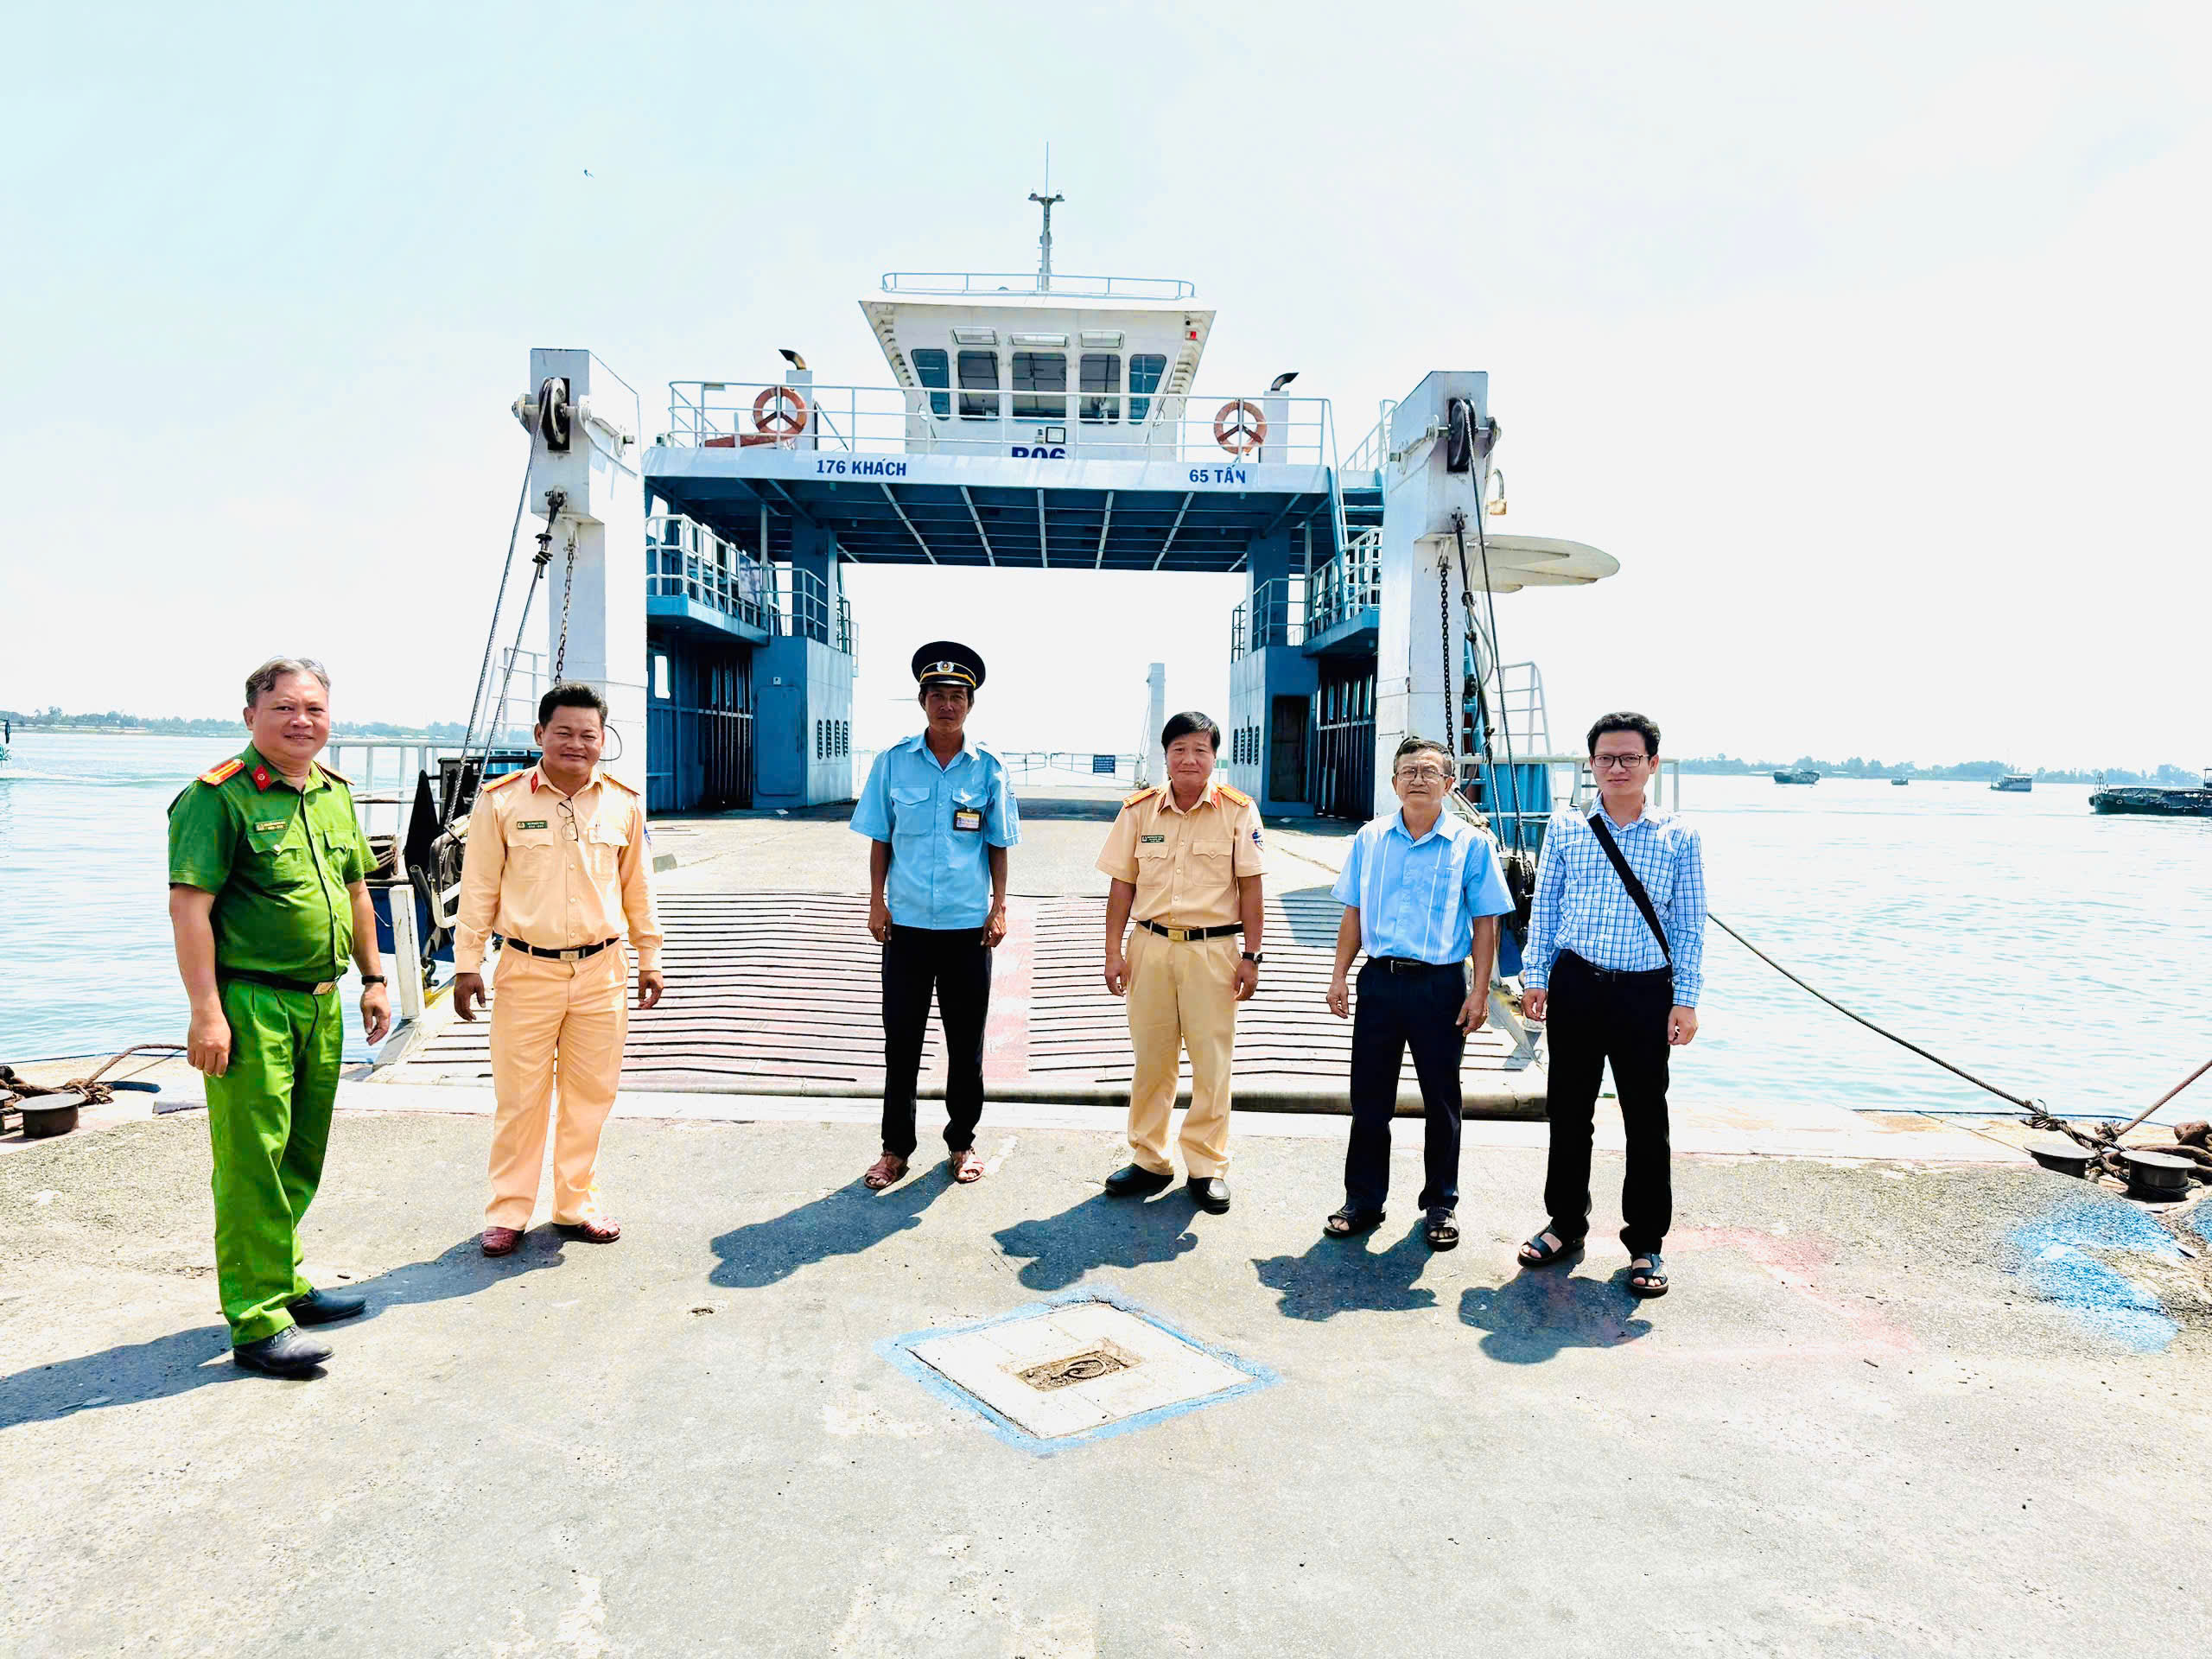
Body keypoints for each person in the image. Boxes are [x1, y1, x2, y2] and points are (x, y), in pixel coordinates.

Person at [167, 658, 392, 1377]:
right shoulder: (217, 798)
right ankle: (257, 1321)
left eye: (315, 709)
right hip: (251, 1003)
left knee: (299, 1152)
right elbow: (189, 909)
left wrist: (374, 979)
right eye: (285, 708)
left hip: (321, 1001)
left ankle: (285, 1280)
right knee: (251, 1163)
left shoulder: (333, 793)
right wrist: (206, 1012)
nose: (302, 721)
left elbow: (357, 891)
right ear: (251, 717)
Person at [454, 683, 664, 1256]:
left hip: (603, 970)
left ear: (602, 740)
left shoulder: (623, 802)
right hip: (527, 968)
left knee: (590, 1095)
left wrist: (650, 955)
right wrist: (467, 963)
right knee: (520, 1098)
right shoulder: (502, 802)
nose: (576, 744)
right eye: (564, 732)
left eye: (588, 735)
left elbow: (639, 889)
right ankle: (508, 1210)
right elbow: (478, 887)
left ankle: (576, 1204)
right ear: (539, 734)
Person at [1516, 710, 1706, 1298]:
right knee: (1569, 1111)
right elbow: (1545, 907)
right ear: (1591, 764)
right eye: (1606, 758)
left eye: (1629, 758)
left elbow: (1690, 926)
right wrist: (1535, 976)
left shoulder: (1679, 835)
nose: (1617, 767)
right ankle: (1565, 1224)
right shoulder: (1567, 827)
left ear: (1652, 763)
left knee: (1647, 1119)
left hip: (1646, 992)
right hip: (1577, 983)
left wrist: (1686, 1000)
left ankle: (1646, 1241)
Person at [1323, 736, 1515, 1249]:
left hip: (1440, 986)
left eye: (1430, 771)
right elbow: (1353, 911)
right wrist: (1339, 975)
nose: (1418, 779)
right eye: (1408, 771)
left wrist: (1479, 992)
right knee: (1369, 1098)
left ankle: (1440, 1203)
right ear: (1394, 783)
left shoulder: (1471, 844)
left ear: (1449, 784)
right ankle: (1363, 1199)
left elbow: (1486, 921)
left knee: (1442, 1099)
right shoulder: (1370, 839)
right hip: (1380, 981)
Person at [849, 642, 1019, 1191]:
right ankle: (895, 1149)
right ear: (922, 701)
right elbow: (880, 837)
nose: (948, 705)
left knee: (966, 1045)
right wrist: (876, 901)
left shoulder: (989, 767)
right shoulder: (893, 762)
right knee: (901, 1042)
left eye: (957, 696)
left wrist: (999, 907)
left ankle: (962, 1141)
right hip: (907, 928)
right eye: (938, 695)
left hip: (968, 929)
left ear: (970, 704)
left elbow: (998, 843)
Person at [1096, 712, 1264, 1214]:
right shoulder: (1138, 811)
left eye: (1200, 750)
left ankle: (1207, 1165)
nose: (1190, 760)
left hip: (1214, 951)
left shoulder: (1238, 810)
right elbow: (1121, 886)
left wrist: (1252, 956)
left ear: (1214, 756)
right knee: (1152, 1059)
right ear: (1165, 755)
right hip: (1149, 947)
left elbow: (1252, 888)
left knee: (1211, 1062)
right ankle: (1150, 1158)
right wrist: (1113, 951)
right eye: (1179, 750)